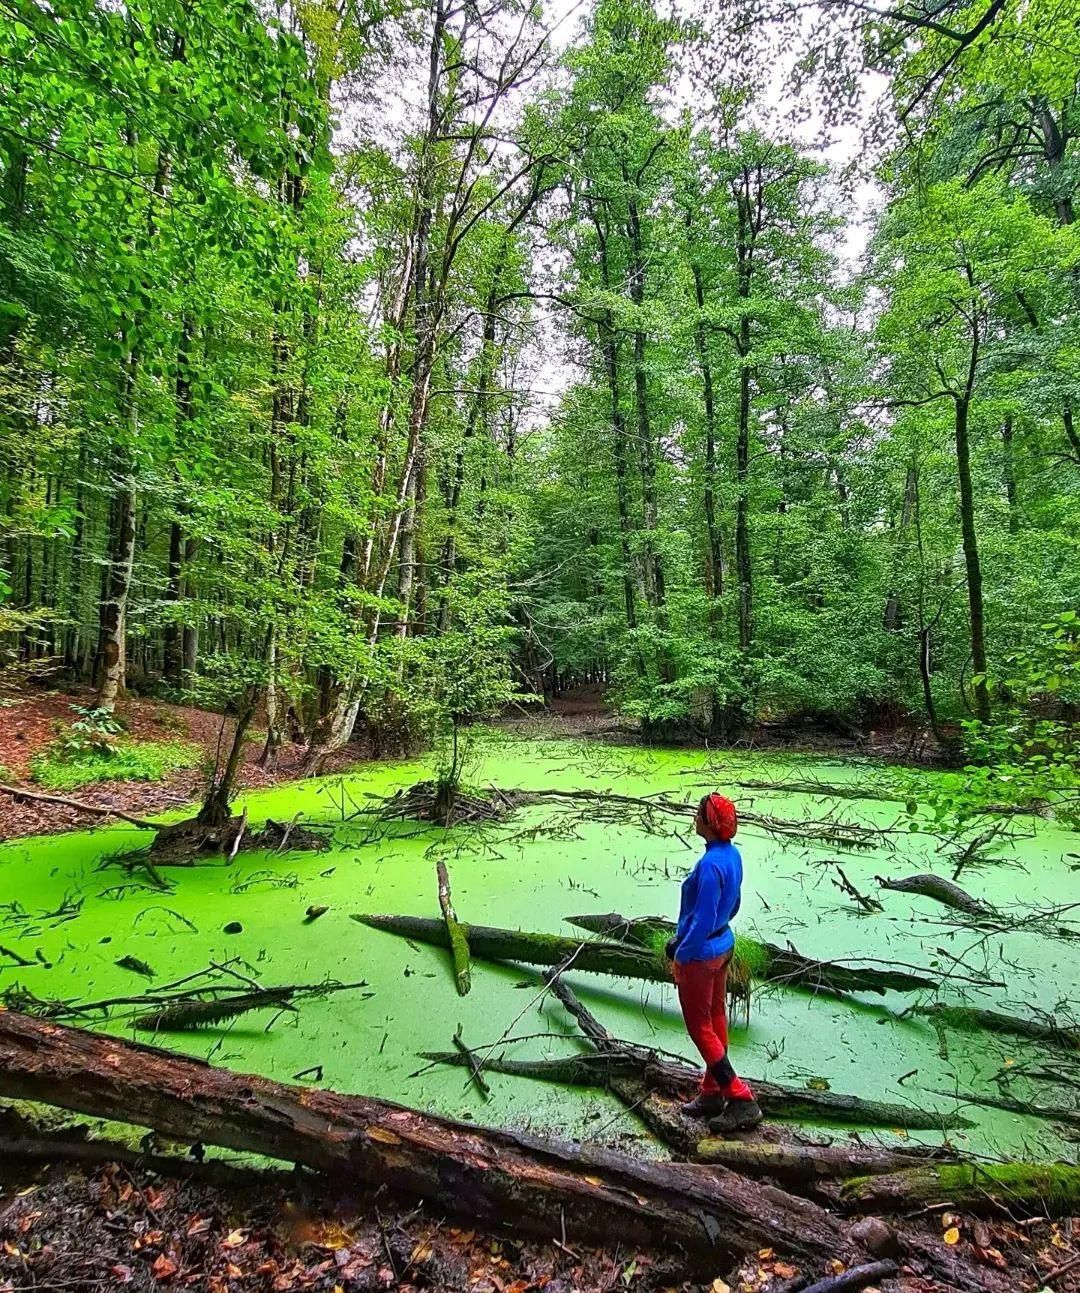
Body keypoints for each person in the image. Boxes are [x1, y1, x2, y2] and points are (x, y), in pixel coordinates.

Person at [665, 792, 762, 1131]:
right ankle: (711, 1093)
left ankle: (740, 1097)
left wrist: (681, 954)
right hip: (724, 945)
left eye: (698, 814)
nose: (694, 818)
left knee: (699, 1027)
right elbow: (733, 905)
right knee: (717, 1016)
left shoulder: (708, 867)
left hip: (702, 954)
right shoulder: (732, 856)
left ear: (708, 824)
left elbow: (702, 919)